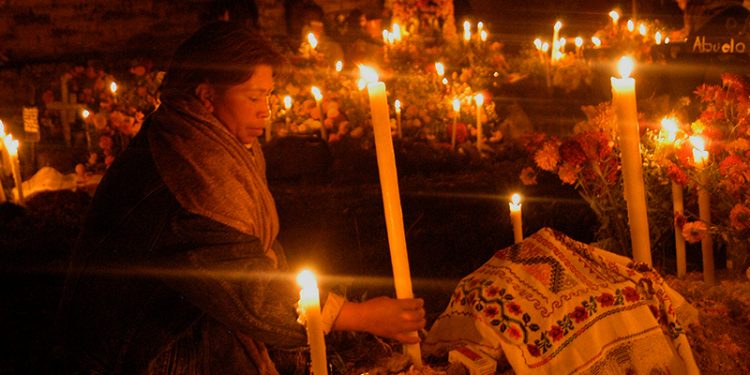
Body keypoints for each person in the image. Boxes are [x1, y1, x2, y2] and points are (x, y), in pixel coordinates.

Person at [57, 21, 425, 374]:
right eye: (253, 96)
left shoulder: (201, 138)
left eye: (268, 94)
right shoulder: (189, 171)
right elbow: (247, 290)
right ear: (206, 97)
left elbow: (253, 253)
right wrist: (359, 317)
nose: (265, 109)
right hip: (135, 356)